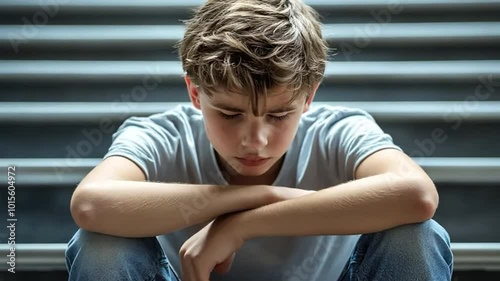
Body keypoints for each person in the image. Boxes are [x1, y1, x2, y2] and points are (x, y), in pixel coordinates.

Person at [65, 0, 453, 280]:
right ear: (195, 94)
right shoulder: (161, 134)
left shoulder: (337, 129)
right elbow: (90, 204)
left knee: (416, 235)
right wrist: (263, 196)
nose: (256, 140)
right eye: (230, 114)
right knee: (102, 245)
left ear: (309, 97)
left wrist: (240, 226)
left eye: (280, 115)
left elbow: (417, 196)